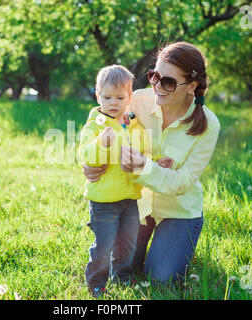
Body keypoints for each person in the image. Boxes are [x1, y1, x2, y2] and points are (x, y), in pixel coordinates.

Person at [82, 42, 221, 286]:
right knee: (126, 266)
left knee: (161, 278)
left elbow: (182, 182)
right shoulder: (138, 101)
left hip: (178, 210)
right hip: (137, 206)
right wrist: (89, 163)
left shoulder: (208, 124)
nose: (156, 86)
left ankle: (178, 243)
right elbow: (102, 115)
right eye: (154, 76)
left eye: (168, 82)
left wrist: (144, 166)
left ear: (192, 86)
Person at [78, 65, 172, 298]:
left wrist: (156, 162)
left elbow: (144, 152)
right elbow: (86, 155)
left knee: (127, 243)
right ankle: (96, 283)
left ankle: (121, 276)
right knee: (104, 245)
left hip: (130, 198)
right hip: (104, 200)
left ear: (130, 98)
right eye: (107, 97)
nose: (113, 102)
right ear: (98, 96)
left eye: (120, 97)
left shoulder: (133, 125)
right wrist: (101, 144)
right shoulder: (96, 125)